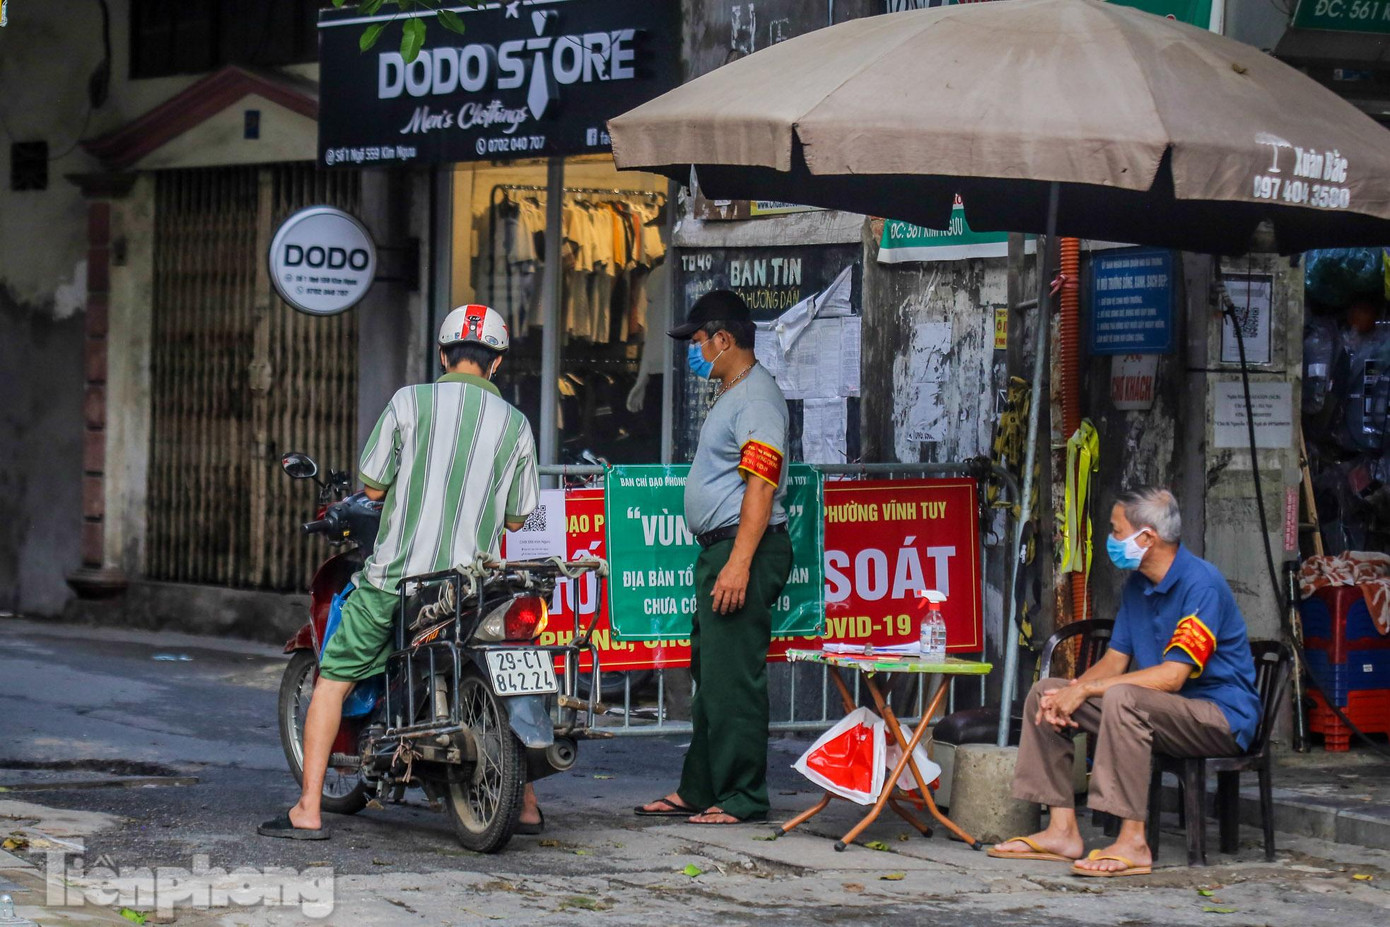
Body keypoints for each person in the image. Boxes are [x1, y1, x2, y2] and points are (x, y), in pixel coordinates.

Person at [259, 304, 544, 840]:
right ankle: (525, 805)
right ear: (496, 363)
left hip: (397, 581)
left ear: (442, 355)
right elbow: (517, 516)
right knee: (504, 673)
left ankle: (309, 810)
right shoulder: (516, 425)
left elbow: (372, 487)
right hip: (473, 588)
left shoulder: (409, 403)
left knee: (332, 680)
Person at [989, 488, 1261, 876]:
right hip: (1159, 711)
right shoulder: (1137, 585)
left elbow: (1173, 676)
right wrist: (1071, 691)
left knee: (1122, 698)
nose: (1111, 540)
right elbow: (1115, 661)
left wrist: (1086, 689)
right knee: (1045, 694)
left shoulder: (1201, 583)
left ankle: (1133, 842)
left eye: (1117, 531)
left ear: (1147, 537)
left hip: (1219, 717)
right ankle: (1061, 830)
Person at [635, 290, 793, 825]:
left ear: (724, 339)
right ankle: (700, 788)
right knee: (712, 677)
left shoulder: (756, 400)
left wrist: (740, 563)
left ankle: (742, 796)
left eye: (698, 341)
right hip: (722, 549)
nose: (693, 352)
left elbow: (761, 486)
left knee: (734, 682)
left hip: (742, 549)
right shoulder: (734, 393)